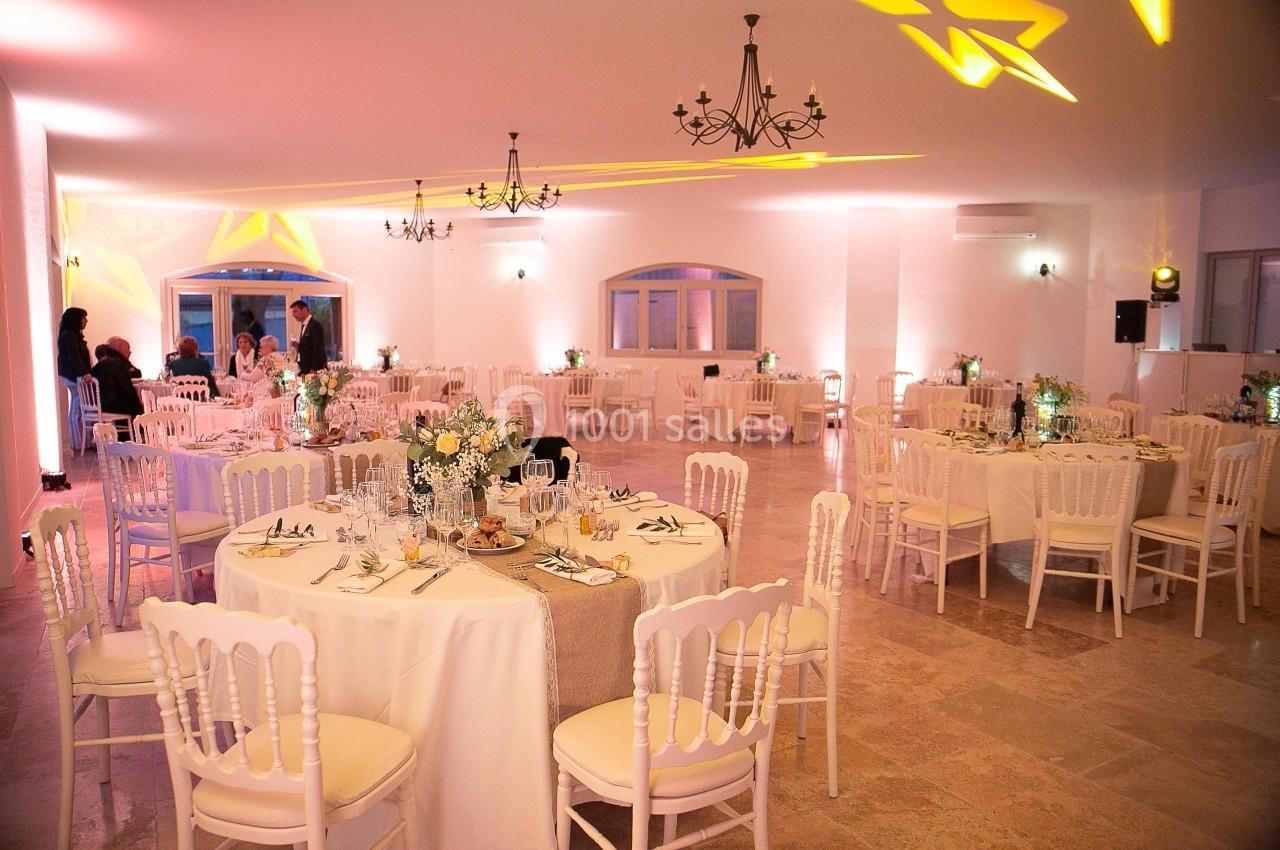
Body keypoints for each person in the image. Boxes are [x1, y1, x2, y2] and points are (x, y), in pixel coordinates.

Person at [56, 307, 92, 451]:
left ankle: (80, 441)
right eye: (84, 318)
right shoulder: (69, 336)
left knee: (78, 407)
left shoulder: (69, 335)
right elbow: (74, 357)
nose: (86, 321)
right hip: (74, 376)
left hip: (73, 375)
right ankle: (78, 441)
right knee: (78, 409)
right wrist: (83, 373)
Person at [90, 344, 142, 432]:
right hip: (113, 406)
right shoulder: (118, 365)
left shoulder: (95, 369)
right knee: (133, 403)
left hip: (97, 405)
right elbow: (128, 389)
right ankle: (137, 432)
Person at [290, 299, 326, 374]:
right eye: (292, 312)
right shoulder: (304, 325)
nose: (293, 315)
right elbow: (309, 347)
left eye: (295, 311)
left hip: (313, 369)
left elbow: (318, 348)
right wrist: (298, 345)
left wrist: (314, 368)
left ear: (304, 310)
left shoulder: (315, 325)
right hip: (304, 367)